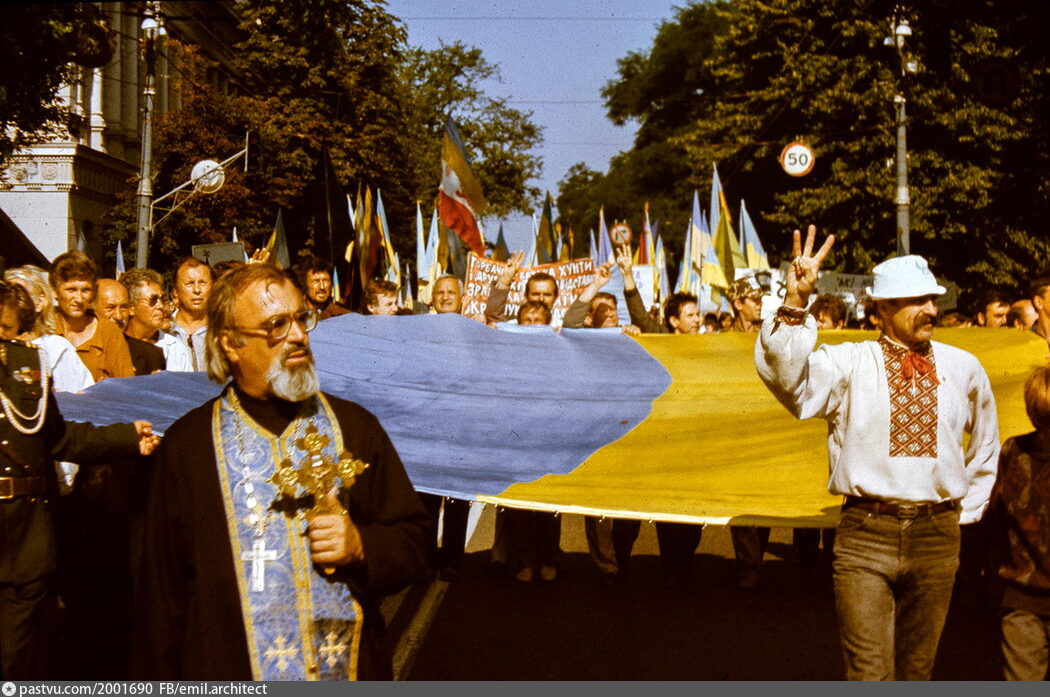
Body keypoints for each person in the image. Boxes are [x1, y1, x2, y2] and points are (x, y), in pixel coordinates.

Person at [134, 263, 431, 680]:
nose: (298, 336)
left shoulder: (354, 427)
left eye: (300, 318)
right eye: (276, 324)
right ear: (231, 343)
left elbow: (415, 543)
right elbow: (160, 602)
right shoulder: (189, 448)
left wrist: (362, 545)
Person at [756, 227, 1000, 680]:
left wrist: (960, 516)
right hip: (866, 534)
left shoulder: (963, 366)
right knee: (869, 673)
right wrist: (795, 301)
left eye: (932, 298)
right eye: (916, 300)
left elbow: (986, 445)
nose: (931, 309)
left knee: (917, 671)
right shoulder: (849, 362)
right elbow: (787, 380)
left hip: (937, 538)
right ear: (881, 309)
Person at [0, 279, 159, 679]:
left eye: (7, 327)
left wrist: (125, 437)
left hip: (23, 541)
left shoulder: (27, 367)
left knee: (15, 660)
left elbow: (61, 437)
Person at [617, 247, 704, 587]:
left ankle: (682, 562)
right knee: (665, 509)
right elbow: (640, 316)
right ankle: (662, 568)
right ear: (673, 322)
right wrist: (627, 276)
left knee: (692, 515)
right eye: (691, 315)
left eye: (698, 314)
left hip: (692, 445)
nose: (697, 319)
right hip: (662, 441)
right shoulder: (663, 340)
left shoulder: (710, 345)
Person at [987, 364, 1050, 680]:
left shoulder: (1014, 450)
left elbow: (996, 515)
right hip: (1023, 596)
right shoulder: (1014, 450)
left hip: (1022, 594)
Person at [502, 301, 562, 583]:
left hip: (548, 436)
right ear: (519, 323)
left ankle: (549, 559)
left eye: (539, 320)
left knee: (548, 505)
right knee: (518, 505)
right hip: (517, 436)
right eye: (528, 319)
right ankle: (526, 562)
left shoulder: (558, 351)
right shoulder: (508, 351)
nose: (533, 324)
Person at [4, 268, 92, 393]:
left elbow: (74, 400)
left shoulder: (56, 348)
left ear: (39, 302)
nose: (11, 302)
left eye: (19, 295)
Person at [50, 251, 134, 382]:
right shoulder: (44, 327)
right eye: (71, 290)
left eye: (85, 290)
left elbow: (126, 386)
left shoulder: (108, 333)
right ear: (55, 291)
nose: (78, 299)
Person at [119, 269, 193, 373]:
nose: (161, 306)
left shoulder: (175, 348)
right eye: (153, 300)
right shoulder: (116, 345)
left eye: (162, 299)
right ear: (131, 307)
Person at [170, 257, 212, 371]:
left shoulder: (223, 331)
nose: (197, 290)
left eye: (203, 283)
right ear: (175, 292)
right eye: (189, 284)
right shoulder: (163, 333)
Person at [295, 256, 350, 321]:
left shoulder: (343, 315)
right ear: (304, 284)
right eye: (316, 281)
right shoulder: (295, 314)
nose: (322, 287)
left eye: (326, 280)